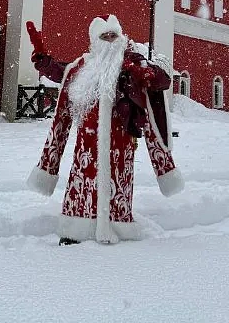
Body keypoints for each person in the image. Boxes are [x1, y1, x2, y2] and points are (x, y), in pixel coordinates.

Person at [26, 14, 183, 245]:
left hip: (121, 152)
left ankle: (117, 229)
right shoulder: (82, 68)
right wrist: (44, 61)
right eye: (104, 36)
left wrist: (165, 168)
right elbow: (61, 112)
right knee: (83, 189)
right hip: (86, 152)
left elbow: (159, 89)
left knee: (116, 192)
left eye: (113, 35)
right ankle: (75, 231)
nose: (110, 40)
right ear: (94, 41)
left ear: (121, 38)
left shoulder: (132, 68)